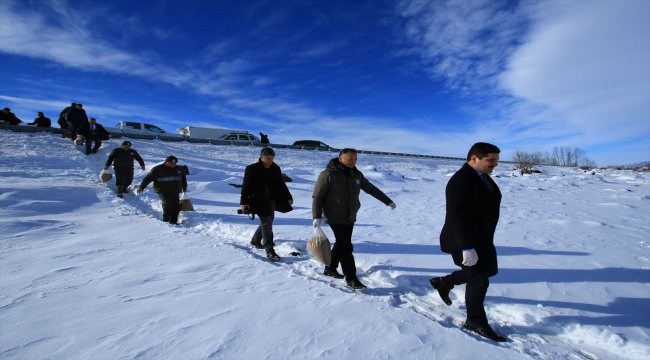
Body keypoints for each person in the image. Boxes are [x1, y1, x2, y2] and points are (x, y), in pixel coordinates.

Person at [430, 142, 506, 342]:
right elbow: (458, 216)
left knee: (483, 271)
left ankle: (444, 282)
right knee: (479, 280)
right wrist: (467, 247)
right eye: (491, 160)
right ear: (474, 158)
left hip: (481, 238)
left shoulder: (481, 177)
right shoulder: (460, 181)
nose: (495, 164)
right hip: (462, 239)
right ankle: (475, 320)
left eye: (496, 160)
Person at [312, 148, 396, 289]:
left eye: (355, 159)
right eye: (350, 158)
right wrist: (316, 216)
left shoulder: (356, 174)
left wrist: (388, 201)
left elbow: (371, 189)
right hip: (334, 215)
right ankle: (351, 278)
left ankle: (330, 268)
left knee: (341, 243)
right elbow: (317, 196)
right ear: (340, 159)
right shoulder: (328, 174)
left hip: (350, 215)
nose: (353, 161)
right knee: (346, 247)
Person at [240, 147, 293, 261]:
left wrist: (288, 196)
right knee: (267, 223)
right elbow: (246, 186)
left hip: (272, 200)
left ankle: (255, 240)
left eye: (272, 158)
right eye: (268, 158)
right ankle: (270, 250)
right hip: (257, 201)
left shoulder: (275, 168)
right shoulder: (252, 168)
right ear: (261, 157)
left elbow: (281, 184)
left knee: (267, 222)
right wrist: (243, 202)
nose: (270, 160)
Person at [137, 155, 187, 225]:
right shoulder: (158, 169)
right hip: (162, 190)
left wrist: (184, 189)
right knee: (168, 203)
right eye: (171, 163)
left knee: (176, 206)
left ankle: (173, 221)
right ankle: (166, 220)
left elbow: (183, 180)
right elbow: (148, 178)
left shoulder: (179, 169)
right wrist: (142, 187)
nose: (173, 165)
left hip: (175, 190)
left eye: (175, 163)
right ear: (166, 162)